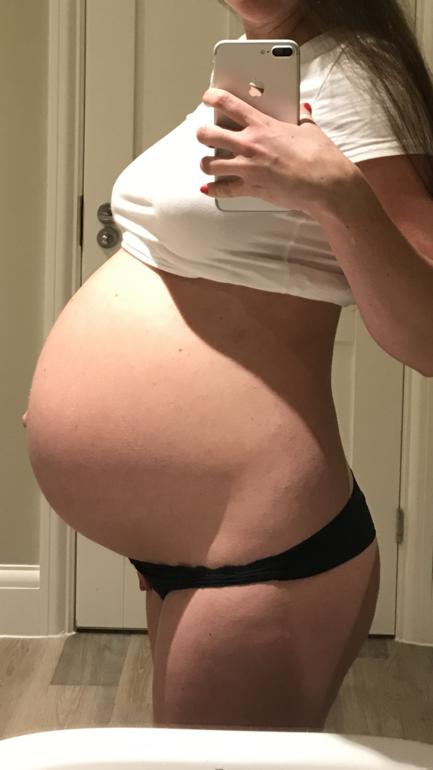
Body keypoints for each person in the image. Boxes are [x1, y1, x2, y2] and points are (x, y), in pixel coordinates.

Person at [23, 0, 433, 732]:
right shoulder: (266, 68)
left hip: (259, 550)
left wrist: (337, 196)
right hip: (200, 537)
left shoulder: (357, 74)